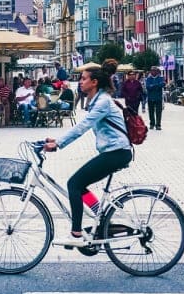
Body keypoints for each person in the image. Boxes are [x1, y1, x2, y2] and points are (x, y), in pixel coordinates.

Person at [43, 60, 133, 247]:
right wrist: (54, 141)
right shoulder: (97, 99)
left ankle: (76, 234)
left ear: (94, 83)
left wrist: (58, 144)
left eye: (83, 79)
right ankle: (101, 215)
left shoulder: (102, 102)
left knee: (74, 184)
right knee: (80, 185)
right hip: (114, 151)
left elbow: (83, 126)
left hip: (117, 152)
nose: (80, 82)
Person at [144, 66, 166, 131]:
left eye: (155, 70)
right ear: (150, 71)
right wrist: (157, 85)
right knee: (151, 111)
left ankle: (158, 125)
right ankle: (152, 124)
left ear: (157, 71)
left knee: (159, 112)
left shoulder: (160, 78)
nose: (153, 72)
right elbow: (148, 87)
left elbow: (162, 84)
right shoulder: (148, 79)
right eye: (152, 70)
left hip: (158, 97)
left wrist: (153, 85)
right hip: (150, 97)